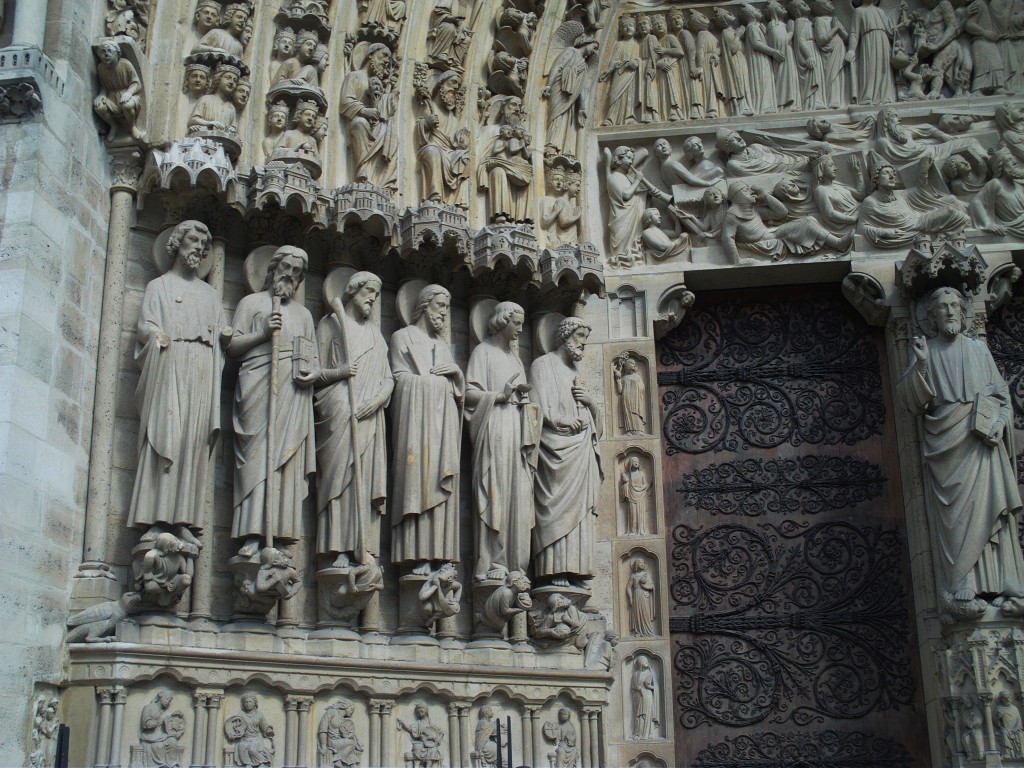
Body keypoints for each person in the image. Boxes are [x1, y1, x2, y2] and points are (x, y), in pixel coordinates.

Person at [897, 287, 1024, 620]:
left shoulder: (979, 350)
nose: (950, 312)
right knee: (955, 516)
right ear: (932, 317)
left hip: (982, 442)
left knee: (993, 510)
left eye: (955, 305)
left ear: (965, 313)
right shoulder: (927, 351)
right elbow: (912, 402)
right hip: (946, 444)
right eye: (942, 308)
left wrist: (998, 422)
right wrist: (921, 365)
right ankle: (960, 584)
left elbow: (1002, 399)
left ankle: (1008, 585)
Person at [130, 221, 226, 543]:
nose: (199, 247)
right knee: (166, 438)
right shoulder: (159, 286)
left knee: (192, 445)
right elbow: (145, 324)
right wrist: (156, 334)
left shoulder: (211, 295)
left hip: (200, 371)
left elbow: (222, 337)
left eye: (204, 243)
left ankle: (183, 517)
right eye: (194, 239)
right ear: (177, 243)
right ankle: (156, 516)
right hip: (169, 363)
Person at [226, 247, 319, 558]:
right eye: (286, 267)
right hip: (257, 385)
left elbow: (311, 358)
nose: (290, 275)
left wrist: (309, 373)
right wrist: (263, 332)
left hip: (291, 394)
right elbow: (233, 347)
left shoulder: (304, 315)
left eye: (297, 271)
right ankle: (252, 534)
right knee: (256, 461)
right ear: (273, 267)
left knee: (285, 464)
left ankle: (279, 534)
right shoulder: (251, 303)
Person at [315, 272, 392, 568]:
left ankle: (364, 546)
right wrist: (340, 372)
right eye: (368, 291)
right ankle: (337, 548)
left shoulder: (375, 334)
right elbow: (315, 373)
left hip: (370, 417)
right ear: (352, 292)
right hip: (338, 411)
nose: (372, 298)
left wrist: (375, 402)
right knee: (339, 482)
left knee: (365, 484)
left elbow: (388, 379)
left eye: (376, 293)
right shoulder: (330, 325)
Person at [390, 285, 463, 572]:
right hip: (415, 428)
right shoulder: (401, 337)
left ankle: (439, 555)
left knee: (442, 484)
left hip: (443, 430)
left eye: (447, 307)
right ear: (424, 305)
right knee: (416, 483)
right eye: (440, 306)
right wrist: (433, 385)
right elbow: (398, 379)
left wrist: (456, 375)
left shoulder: (443, 346)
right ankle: (415, 554)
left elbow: (459, 395)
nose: (444, 313)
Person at [465, 302, 539, 580]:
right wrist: (499, 395)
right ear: (502, 321)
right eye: (516, 323)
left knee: (517, 497)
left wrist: (526, 402)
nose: (520, 329)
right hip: (494, 428)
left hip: (517, 433)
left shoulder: (516, 359)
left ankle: (515, 564)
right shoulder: (483, 353)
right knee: (495, 493)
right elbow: (467, 393)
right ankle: (492, 563)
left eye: (522, 324)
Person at [530, 318, 603, 586]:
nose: (584, 342)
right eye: (580, 335)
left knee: (581, 512)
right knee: (554, 507)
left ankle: (578, 569)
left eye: (585, 336)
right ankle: (554, 570)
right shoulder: (542, 365)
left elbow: (593, 420)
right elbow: (535, 408)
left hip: (580, 450)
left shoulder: (576, 372)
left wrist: (591, 405)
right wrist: (560, 421)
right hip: (554, 450)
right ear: (566, 335)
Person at [93, 41, 145, 141]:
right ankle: (114, 126)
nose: (106, 54)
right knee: (99, 107)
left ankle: (132, 127)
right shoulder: (101, 68)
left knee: (127, 105)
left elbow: (137, 84)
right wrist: (101, 94)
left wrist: (129, 93)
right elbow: (104, 85)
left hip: (129, 94)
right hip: (112, 96)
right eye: (103, 52)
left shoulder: (125, 64)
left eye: (110, 51)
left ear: (117, 53)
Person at [225, 695, 274, 766]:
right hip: (245, 738)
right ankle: (247, 764)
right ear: (243, 704)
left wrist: (268, 730)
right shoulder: (240, 715)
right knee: (241, 747)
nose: (248, 704)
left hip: (255, 739)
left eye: (250, 702)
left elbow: (264, 726)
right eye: (246, 702)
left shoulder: (259, 715)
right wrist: (233, 734)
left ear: (255, 703)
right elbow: (236, 728)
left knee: (252, 749)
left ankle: (261, 762)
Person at [138, 690, 185, 766]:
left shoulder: (162, 711)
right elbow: (145, 723)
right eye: (167, 699)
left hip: (160, 735)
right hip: (150, 736)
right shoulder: (149, 707)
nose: (168, 702)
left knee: (172, 741)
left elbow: (166, 725)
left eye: (170, 701)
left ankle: (172, 764)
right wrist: (156, 722)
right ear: (161, 698)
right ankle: (160, 765)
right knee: (159, 746)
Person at [317, 698, 364, 768]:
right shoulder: (331, 712)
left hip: (340, 742)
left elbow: (345, 733)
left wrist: (350, 735)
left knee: (353, 746)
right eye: (351, 709)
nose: (352, 711)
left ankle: (343, 761)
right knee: (352, 743)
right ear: (346, 707)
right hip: (332, 741)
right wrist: (323, 746)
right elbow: (323, 729)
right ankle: (338, 760)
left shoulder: (344, 720)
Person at [620, 459, 651, 535]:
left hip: (640, 494)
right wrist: (623, 476)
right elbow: (626, 481)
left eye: (637, 462)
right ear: (631, 464)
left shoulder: (641, 473)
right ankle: (632, 531)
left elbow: (645, 483)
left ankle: (641, 530)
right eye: (634, 462)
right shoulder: (628, 474)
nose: (636, 463)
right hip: (631, 495)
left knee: (640, 513)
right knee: (632, 513)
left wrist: (642, 488)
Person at [627, 558, 657, 635]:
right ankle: (638, 631)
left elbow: (652, 586)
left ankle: (648, 631)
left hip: (644, 595)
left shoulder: (646, 575)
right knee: (637, 613)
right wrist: (630, 598)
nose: (642, 564)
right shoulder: (633, 575)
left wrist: (645, 586)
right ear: (636, 565)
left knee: (645, 613)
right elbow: (628, 587)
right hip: (636, 595)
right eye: (640, 562)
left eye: (643, 562)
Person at [630, 655, 658, 739]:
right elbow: (633, 686)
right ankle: (638, 733)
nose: (647, 663)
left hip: (648, 696)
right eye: (645, 662)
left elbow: (655, 687)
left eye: (647, 661)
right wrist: (638, 688)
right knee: (639, 716)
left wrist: (649, 687)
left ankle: (648, 733)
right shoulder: (635, 674)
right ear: (640, 663)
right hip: (639, 696)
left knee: (647, 715)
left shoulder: (650, 673)